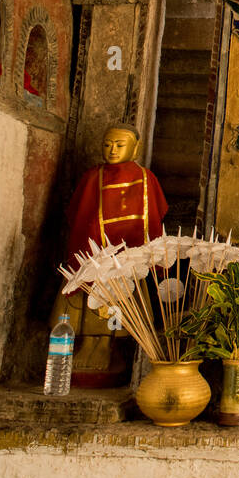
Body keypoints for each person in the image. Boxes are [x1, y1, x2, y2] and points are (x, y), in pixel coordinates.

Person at [57, 123, 168, 387]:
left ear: (135, 148)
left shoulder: (145, 179)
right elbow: (77, 215)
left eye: (120, 145)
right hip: (92, 257)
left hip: (126, 259)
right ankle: (84, 351)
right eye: (108, 144)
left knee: (119, 308)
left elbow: (154, 216)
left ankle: (113, 352)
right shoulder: (91, 177)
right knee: (84, 308)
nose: (112, 150)